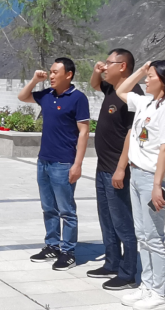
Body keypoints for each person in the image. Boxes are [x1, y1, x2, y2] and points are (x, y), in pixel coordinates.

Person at [111, 60, 165, 310]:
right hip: (137, 174)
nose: (146, 80)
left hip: (154, 178)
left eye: (151, 76)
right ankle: (147, 285)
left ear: (164, 80)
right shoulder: (146, 102)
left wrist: (157, 185)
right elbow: (121, 91)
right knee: (142, 235)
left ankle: (159, 294)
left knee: (154, 237)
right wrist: (141, 70)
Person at [18, 58, 91, 270]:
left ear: (68, 75)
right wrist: (34, 80)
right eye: (50, 72)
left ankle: (68, 252)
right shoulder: (47, 95)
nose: (51, 76)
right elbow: (23, 96)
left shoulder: (78, 98)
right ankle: (52, 246)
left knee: (66, 211)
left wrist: (77, 164)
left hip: (63, 162)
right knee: (48, 207)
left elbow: (84, 132)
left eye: (55, 72)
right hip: (44, 160)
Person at [87, 49, 141, 290]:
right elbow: (94, 84)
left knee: (122, 221)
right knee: (107, 219)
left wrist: (121, 168)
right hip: (102, 167)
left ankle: (128, 273)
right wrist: (96, 71)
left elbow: (132, 133)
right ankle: (111, 262)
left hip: (117, 169)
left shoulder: (133, 95)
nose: (105, 66)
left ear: (123, 66)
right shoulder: (111, 88)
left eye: (109, 63)